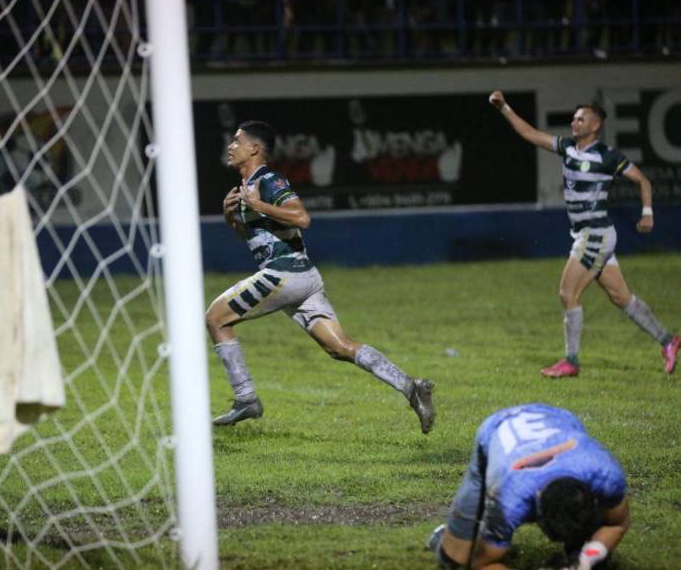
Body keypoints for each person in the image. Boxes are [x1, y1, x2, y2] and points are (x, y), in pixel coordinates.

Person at [206, 120, 435, 434]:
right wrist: (231, 215)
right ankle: (411, 387)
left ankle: (246, 398)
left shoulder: (268, 180)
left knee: (216, 319)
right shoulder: (247, 189)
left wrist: (257, 203)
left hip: (283, 275)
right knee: (340, 347)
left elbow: (302, 217)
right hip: (304, 278)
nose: (230, 146)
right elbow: (257, 236)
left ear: (254, 148)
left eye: (236, 141)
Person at [488, 90, 680, 378]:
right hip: (588, 235)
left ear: (595, 125)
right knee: (621, 297)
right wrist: (504, 107)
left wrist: (647, 214)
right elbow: (530, 134)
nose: (574, 123)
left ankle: (571, 361)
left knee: (568, 293)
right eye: (574, 119)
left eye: (581, 119)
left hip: (596, 235)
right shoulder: (567, 148)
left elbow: (642, 180)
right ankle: (669, 341)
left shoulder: (607, 156)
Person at [427, 403, 629, 569]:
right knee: (454, 563)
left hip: (558, 419)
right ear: (534, 514)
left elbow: (617, 523)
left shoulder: (605, 474)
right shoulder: (509, 500)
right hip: (498, 428)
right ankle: (444, 536)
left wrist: (586, 559)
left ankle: (578, 554)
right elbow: (483, 564)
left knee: (592, 558)